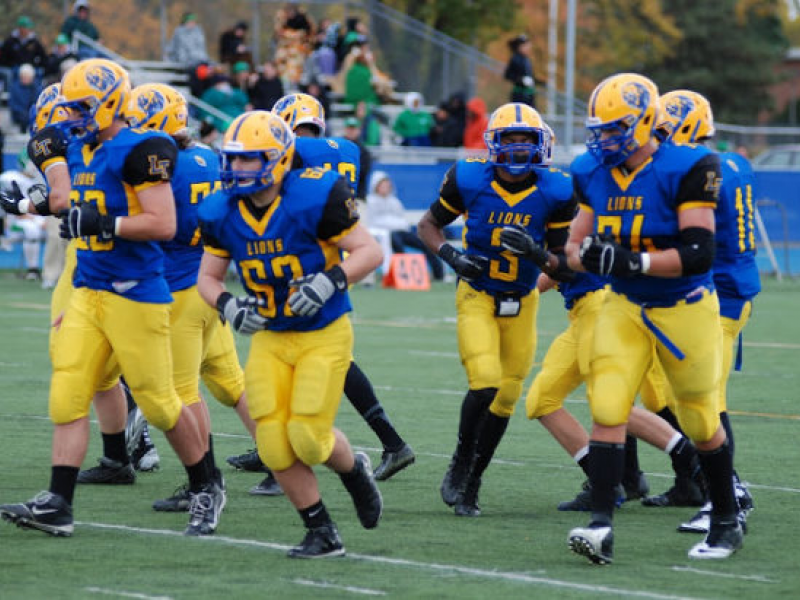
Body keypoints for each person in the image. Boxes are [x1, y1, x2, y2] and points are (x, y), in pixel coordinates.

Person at [0, 59, 223, 538]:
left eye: (81, 106)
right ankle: (58, 503)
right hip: (88, 291)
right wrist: (31, 202)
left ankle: (205, 485)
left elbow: (161, 223)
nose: (73, 115)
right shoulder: (78, 149)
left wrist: (103, 224)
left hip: (136, 294)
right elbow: (75, 197)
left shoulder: (142, 149)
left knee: (161, 405)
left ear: (110, 103)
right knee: (68, 392)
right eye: (69, 106)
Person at [563, 72, 740, 564]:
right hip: (625, 305)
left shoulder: (688, 164)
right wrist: (580, 258)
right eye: (599, 129)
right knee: (608, 404)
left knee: (701, 417)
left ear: (645, 122)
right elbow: (575, 247)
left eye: (616, 128)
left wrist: (630, 260)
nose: (605, 139)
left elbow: (699, 251)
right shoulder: (591, 171)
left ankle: (725, 517)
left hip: (684, 305)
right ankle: (600, 525)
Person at [196, 110, 384, 558]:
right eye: (234, 160)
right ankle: (321, 530)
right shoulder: (222, 211)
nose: (238, 169)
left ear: (280, 160)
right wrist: (229, 307)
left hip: (323, 331)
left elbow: (369, 251)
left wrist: (329, 280)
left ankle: (354, 468)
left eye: (250, 160)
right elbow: (208, 277)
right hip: (270, 336)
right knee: (272, 442)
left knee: (305, 436)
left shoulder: (314, 195)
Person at [227, 93, 415, 486]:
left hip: (305, 255)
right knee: (332, 359)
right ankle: (386, 442)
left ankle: (282, 460)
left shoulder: (295, 151)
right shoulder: (347, 148)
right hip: (338, 251)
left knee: (305, 355)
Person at [417, 103, 575, 516]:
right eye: (511, 138)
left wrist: (537, 254)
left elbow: (564, 265)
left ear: (541, 144)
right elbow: (427, 226)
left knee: (506, 397)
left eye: (527, 139)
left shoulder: (557, 189)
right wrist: (452, 257)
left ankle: (473, 482)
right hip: (477, 294)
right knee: (485, 381)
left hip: (524, 299)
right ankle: (461, 457)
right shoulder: (469, 177)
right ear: (494, 143)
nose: (520, 147)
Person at [654, 89, 759, 534]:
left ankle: (729, 495)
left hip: (719, 292)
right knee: (695, 397)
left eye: (661, 129)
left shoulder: (702, 169)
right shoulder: (734, 162)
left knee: (706, 402)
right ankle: (713, 490)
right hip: (733, 286)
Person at [366, 170, 444, 281]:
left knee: (425, 243)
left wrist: (396, 224)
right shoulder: (370, 202)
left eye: (387, 184)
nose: (386, 187)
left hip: (401, 232)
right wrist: (392, 224)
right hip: (384, 234)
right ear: (376, 186)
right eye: (382, 184)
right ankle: (404, 274)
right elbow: (372, 222)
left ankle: (439, 274)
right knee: (396, 241)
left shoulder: (394, 201)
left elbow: (402, 220)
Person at [341, 116, 372, 201]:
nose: (351, 131)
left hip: (357, 194)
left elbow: (363, 172)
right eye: (349, 128)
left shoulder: (364, 151)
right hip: (338, 195)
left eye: (353, 128)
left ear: (359, 130)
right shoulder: (337, 146)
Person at [504, 34, 535, 107]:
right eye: (525, 46)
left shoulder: (526, 59)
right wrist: (521, 80)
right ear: (520, 47)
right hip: (520, 95)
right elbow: (508, 75)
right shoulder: (515, 58)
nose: (528, 48)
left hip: (528, 94)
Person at [9, 64, 40, 133]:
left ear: (32, 78)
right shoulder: (14, 88)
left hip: (33, 114)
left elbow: (38, 102)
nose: (25, 79)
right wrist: (23, 112)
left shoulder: (37, 87)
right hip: (19, 114)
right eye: (23, 77)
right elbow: (13, 104)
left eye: (27, 77)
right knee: (23, 116)